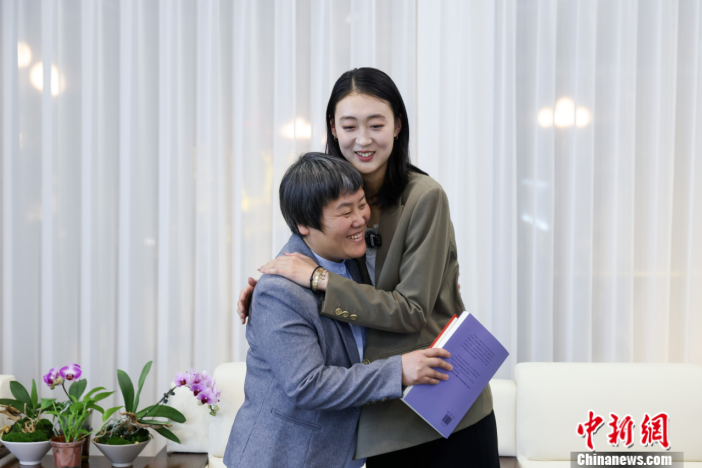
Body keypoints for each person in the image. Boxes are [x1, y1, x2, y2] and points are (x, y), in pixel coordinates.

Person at [238, 68, 499, 467]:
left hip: (443, 394)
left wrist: (318, 280)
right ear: (333, 128)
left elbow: (412, 309)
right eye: (349, 126)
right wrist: (269, 288)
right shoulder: (327, 189)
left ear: (397, 125)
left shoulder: (424, 197)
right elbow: (303, 251)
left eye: (376, 125)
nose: (362, 139)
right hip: (380, 412)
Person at [223, 153, 454, 468]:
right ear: (304, 224)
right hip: (283, 458)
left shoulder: (353, 262)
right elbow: (308, 385)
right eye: (346, 212)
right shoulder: (277, 293)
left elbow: (397, 304)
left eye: (362, 204)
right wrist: (398, 371)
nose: (361, 219)